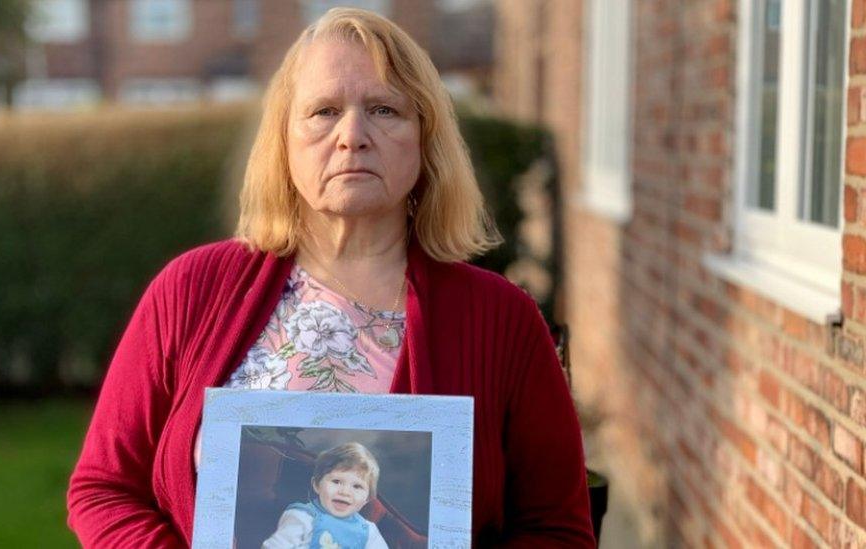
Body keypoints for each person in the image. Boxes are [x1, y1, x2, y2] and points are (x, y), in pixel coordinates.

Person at [67, 7, 595, 548]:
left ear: (424, 138)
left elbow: (557, 528)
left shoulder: (502, 319)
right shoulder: (190, 291)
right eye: (323, 111)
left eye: (385, 109)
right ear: (284, 141)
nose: (352, 136)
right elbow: (104, 488)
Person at [262, 442, 388, 549]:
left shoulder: (368, 531)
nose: (345, 492)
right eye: (336, 482)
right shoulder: (303, 517)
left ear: (367, 499)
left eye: (357, 486)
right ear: (317, 484)